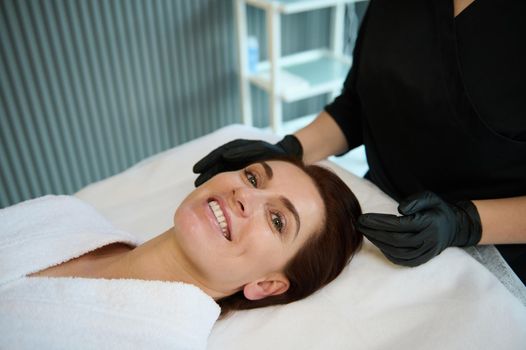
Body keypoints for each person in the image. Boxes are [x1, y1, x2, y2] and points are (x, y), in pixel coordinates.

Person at [193, 0, 526, 281]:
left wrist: (463, 224)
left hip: (493, 250)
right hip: (380, 216)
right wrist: (288, 151)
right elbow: (358, 105)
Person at [0, 157, 363, 348]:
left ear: (267, 284)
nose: (244, 195)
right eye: (253, 178)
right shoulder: (64, 212)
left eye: (278, 220)